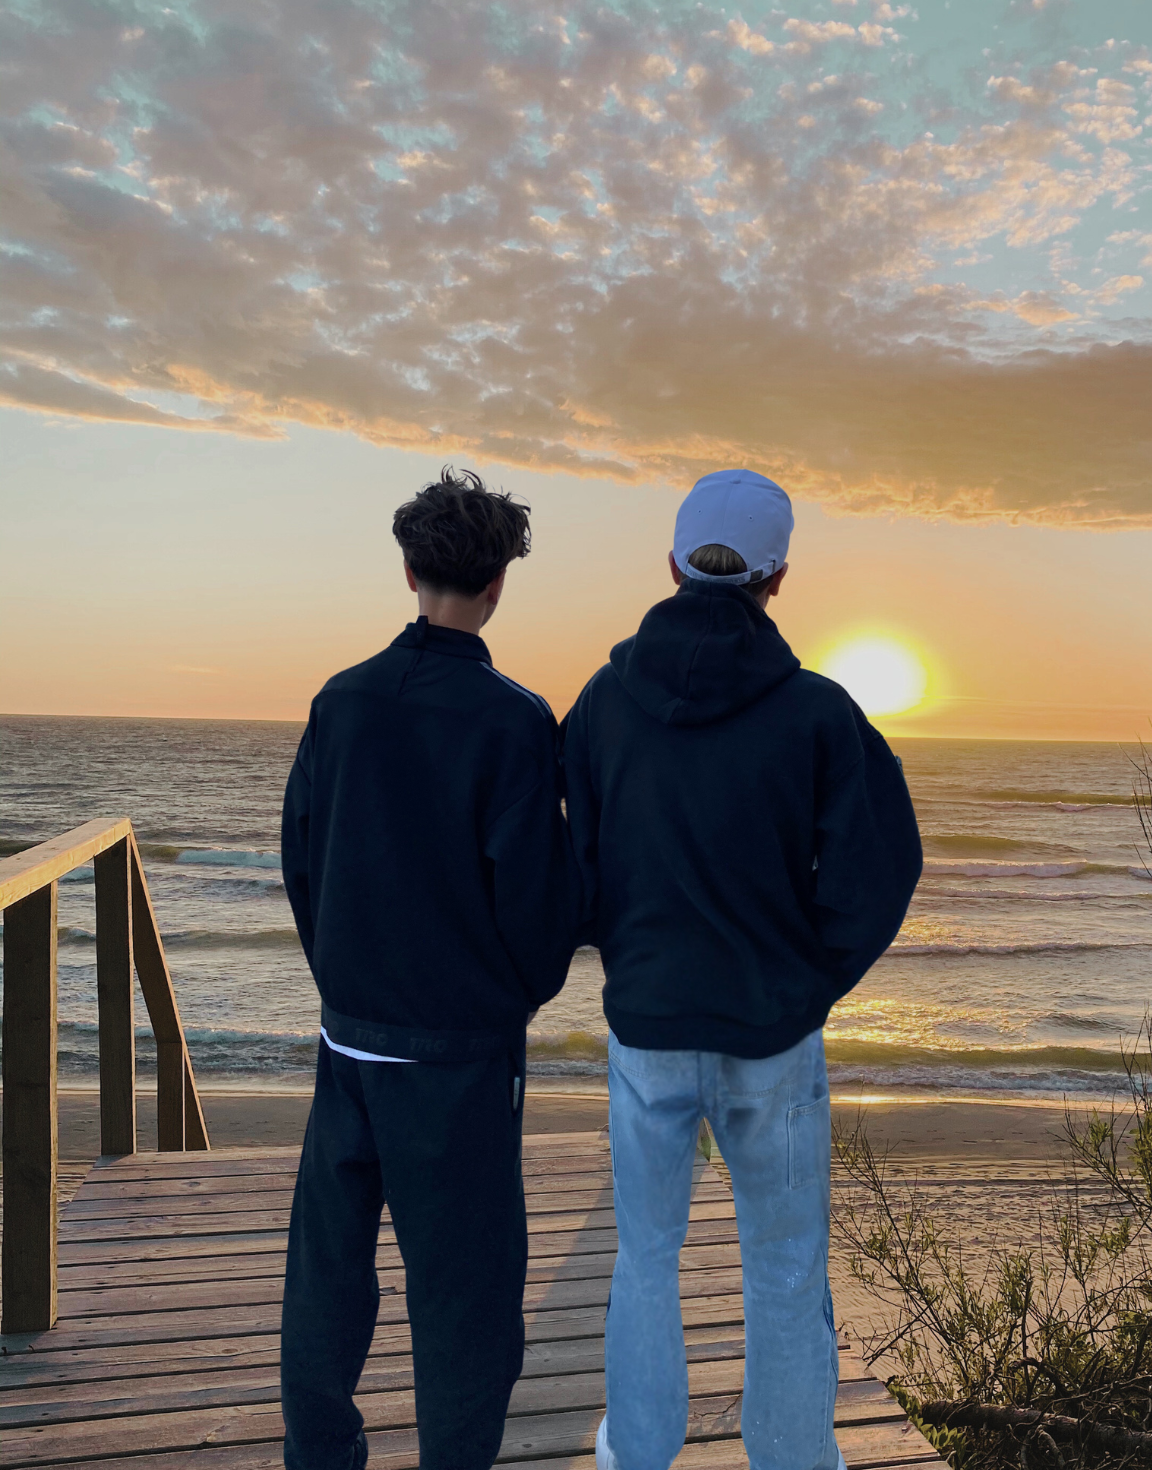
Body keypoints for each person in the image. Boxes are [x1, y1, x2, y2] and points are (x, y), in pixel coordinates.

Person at [562, 469, 922, 1470]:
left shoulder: (602, 702)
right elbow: (884, 864)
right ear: (778, 578)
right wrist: (811, 977)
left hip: (650, 1027)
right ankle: (796, 1458)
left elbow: (576, 861)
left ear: (674, 564)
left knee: (646, 1258)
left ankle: (635, 1453)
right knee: (784, 1266)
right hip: (771, 1033)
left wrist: (622, 952)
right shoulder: (816, 711)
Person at [280, 468, 580, 1470]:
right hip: (456, 1057)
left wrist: (344, 970)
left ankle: (322, 1454)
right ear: (498, 584)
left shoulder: (342, 700)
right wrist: (513, 993)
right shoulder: (514, 719)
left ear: (409, 570)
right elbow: (537, 901)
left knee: (327, 1274)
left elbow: (302, 857)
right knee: (466, 1295)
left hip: (349, 1038)